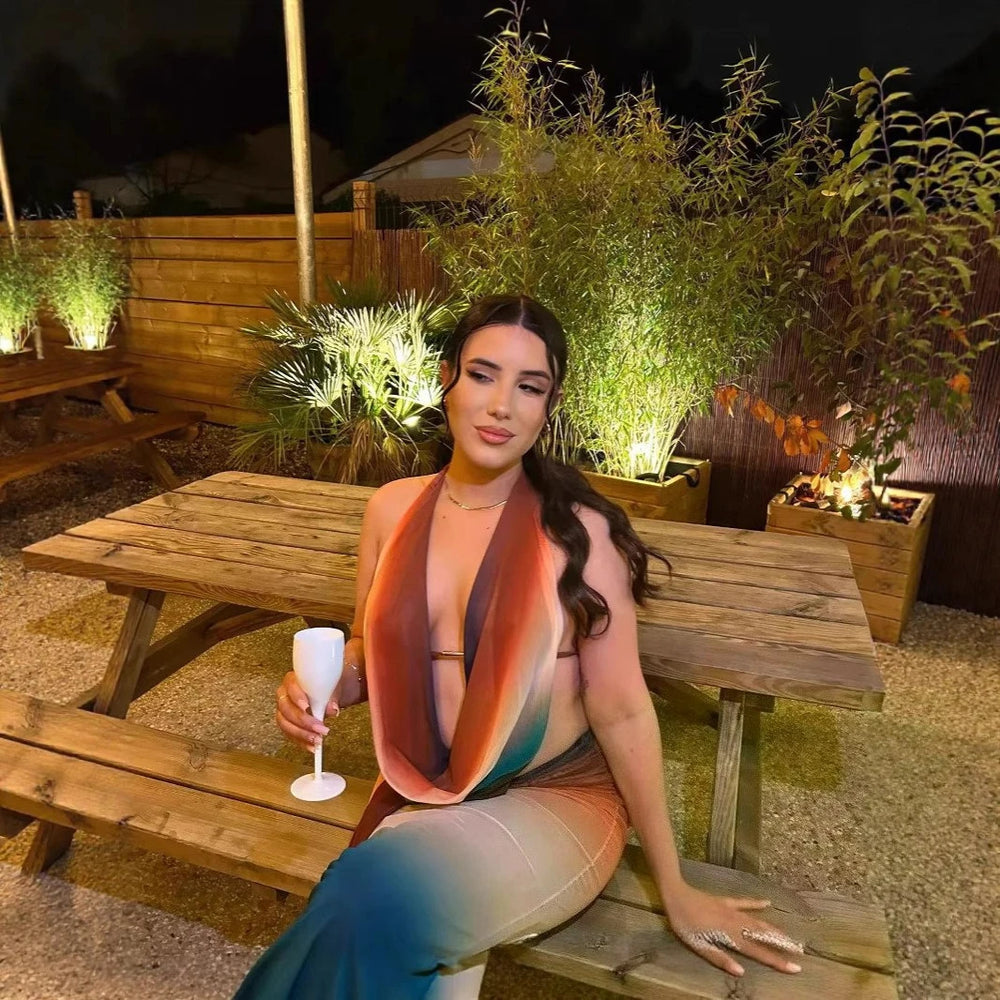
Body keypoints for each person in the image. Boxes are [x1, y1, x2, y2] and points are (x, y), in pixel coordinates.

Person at [234, 295, 804, 999]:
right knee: (397, 927)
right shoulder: (391, 508)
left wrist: (675, 885)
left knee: (370, 893)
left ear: (548, 405)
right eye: (483, 375)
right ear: (446, 379)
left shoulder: (580, 534)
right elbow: (370, 652)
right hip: (434, 787)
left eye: (528, 387)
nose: (501, 405)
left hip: (556, 799)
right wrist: (324, 688)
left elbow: (624, 711)